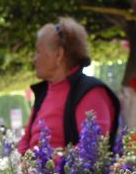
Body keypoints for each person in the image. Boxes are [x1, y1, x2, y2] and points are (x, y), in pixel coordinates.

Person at [18, 17, 120, 154]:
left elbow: (91, 152)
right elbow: (26, 141)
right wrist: (24, 166)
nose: (34, 58)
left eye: (38, 51)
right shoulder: (44, 91)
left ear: (59, 55)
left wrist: (42, 165)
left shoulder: (91, 93)